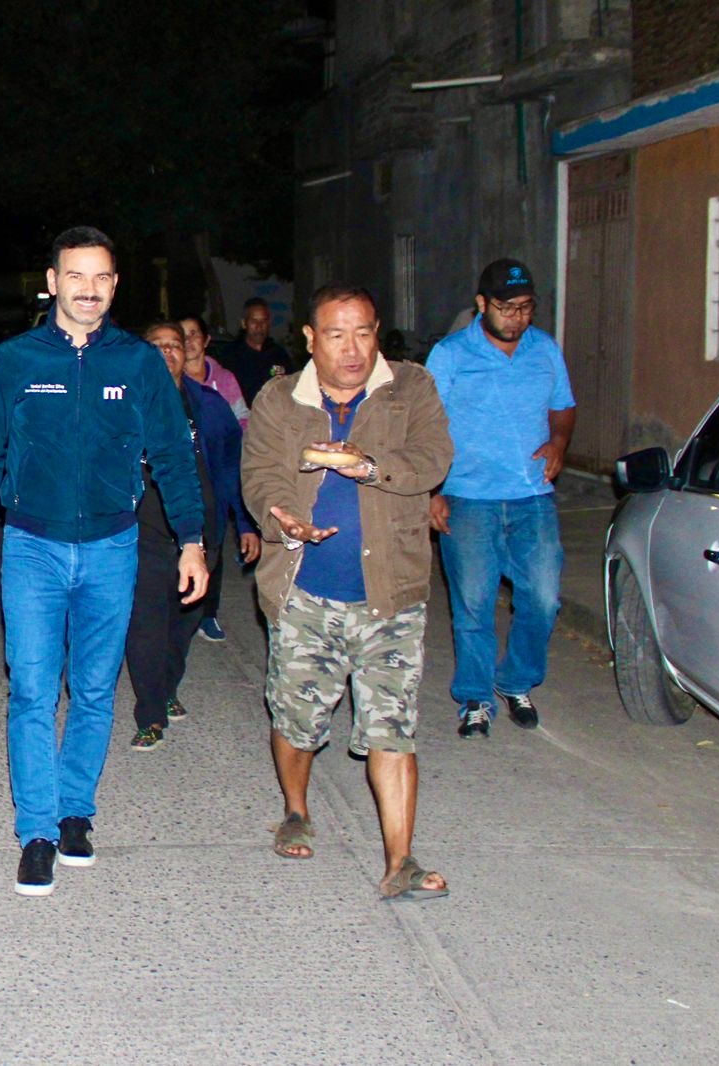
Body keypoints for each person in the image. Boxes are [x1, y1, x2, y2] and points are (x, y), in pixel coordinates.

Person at [0, 226, 208, 897]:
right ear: (52, 282)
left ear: (115, 285)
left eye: (100, 277)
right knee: (34, 691)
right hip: (33, 547)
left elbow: (175, 459)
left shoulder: (137, 364)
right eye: (76, 276)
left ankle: (75, 814)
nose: (88, 290)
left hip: (112, 546)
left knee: (96, 691)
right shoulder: (14, 361)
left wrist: (191, 537)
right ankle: (36, 832)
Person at [241, 284, 453, 902]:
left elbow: (434, 458)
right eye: (336, 334)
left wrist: (366, 465)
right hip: (305, 592)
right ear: (310, 339)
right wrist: (283, 518)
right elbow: (259, 476)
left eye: (363, 332)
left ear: (377, 331)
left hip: (392, 595)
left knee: (393, 727)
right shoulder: (280, 399)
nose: (352, 348)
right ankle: (296, 809)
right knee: (298, 721)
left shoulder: (410, 388)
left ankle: (401, 860)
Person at [426, 259, 576, 738]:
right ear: (482, 305)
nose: (517, 317)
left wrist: (558, 444)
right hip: (468, 496)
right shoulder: (450, 355)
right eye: (507, 308)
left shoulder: (545, 350)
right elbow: (425, 426)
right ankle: (475, 697)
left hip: (532, 496)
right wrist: (431, 491)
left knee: (544, 597)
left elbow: (563, 408)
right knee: (474, 602)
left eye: (526, 307)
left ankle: (515, 680)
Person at [125, 323, 258, 750]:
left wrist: (247, 524)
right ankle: (149, 712)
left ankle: (167, 689)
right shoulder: (126, 403)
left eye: (173, 345)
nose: (166, 352)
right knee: (146, 627)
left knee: (183, 625)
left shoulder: (209, 405)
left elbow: (233, 469)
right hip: (144, 533)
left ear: (186, 352)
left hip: (202, 534)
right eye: (156, 345)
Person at [179, 313, 252, 643]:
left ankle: (209, 613)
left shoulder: (223, 381)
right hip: (183, 480)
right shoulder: (167, 381)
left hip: (218, 478)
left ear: (206, 340)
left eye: (195, 334)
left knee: (214, 547)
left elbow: (242, 426)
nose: (189, 340)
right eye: (183, 335)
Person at [217, 297, 293, 407]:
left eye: (263, 321)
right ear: (244, 323)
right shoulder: (231, 355)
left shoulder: (279, 354)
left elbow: (290, 387)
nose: (259, 326)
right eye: (254, 321)